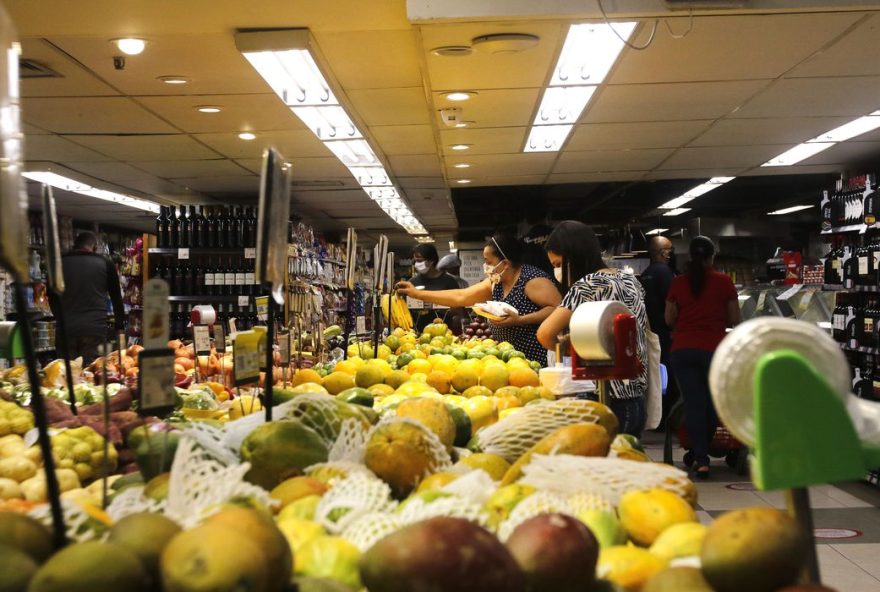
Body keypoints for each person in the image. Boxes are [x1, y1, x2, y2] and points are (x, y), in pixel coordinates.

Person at [537, 220, 649, 437]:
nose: (556, 271)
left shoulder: (586, 285)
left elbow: (545, 334)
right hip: (636, 398)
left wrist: (571, 347)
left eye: (559, 264)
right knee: (627, 458)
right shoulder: (631, 281)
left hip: (602, 399)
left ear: (574, 256)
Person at [397, 234, 561, 366]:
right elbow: (461, 296)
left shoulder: (531, 280)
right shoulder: (496, 281)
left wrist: (520, 320)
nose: (485, 266)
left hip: (534, 358)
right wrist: (416, 294)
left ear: (504, 263)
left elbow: (557, 308)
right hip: (508, 358)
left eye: (487, 261)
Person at [665, 236, 741, 478]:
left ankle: (701, 458)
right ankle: (702, 453)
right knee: (711, 404)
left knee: (693, 403)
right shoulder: (724, 282)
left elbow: (669, 319)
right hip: (714, 351)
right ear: (712, 257)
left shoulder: (678, 282)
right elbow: (734, 320)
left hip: (682, 351)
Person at [52, 231, 125, 365]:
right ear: (95, 248)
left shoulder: (58, 263)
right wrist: (119, 327)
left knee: (65, 373)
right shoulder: (105, 263)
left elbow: (52, 296)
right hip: (94, 329)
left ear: (75, 245)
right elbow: (116, 298)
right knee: (91, 372)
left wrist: (60, 317)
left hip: (66, 329)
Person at [639, 236, 677, 424]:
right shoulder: (664, 272)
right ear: (662, 252)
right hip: (665, 333)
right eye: (669, 249)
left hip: (650, 333)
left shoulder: (646, 273)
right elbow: (672, 304)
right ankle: (667, 419)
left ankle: (657, 416)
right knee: (668, 377)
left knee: (657, 376)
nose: (671, 253)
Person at [407, 243, 463, 333]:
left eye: (420, 261)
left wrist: (439, 306)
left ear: (431, 261)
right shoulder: (412, 283)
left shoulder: (449, 282)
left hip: (445, 334)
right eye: (415, 261)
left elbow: (459, 310)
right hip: (417, 334)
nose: (417, 264)